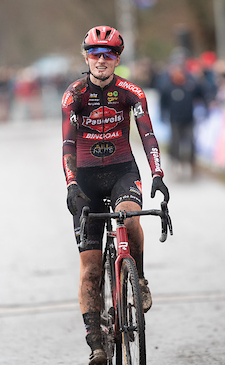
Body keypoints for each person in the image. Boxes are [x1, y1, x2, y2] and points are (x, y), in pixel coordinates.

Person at [61, 26, 170, 365]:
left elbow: (148, 135)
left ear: (118, 59)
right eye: (95, 54)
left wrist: (158, 174)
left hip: (123, 170)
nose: (101, 60)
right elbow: (66, 144)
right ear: (86, 57)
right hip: (86, 180)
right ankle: (96, 344)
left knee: (130, 218)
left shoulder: (131, 92)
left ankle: (136, 277)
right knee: (90, 269)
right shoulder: (74, 95)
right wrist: (72, 185)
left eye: (108, 55)